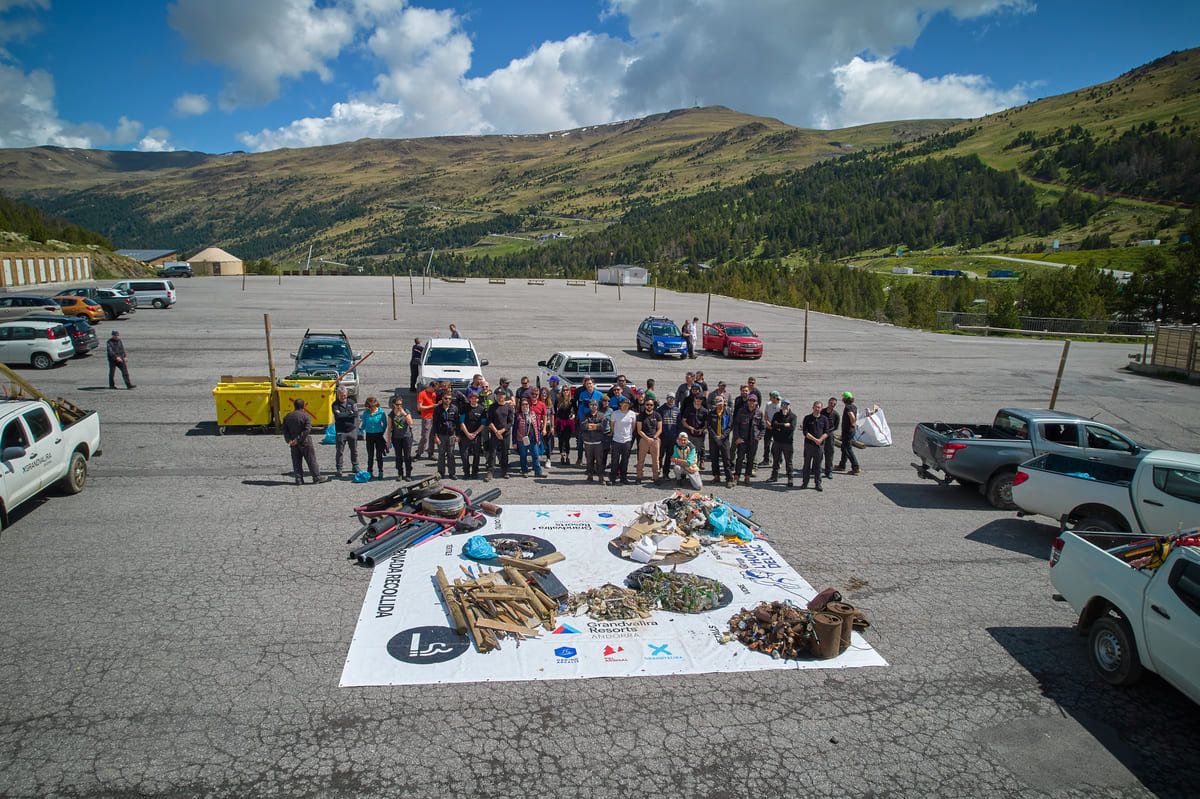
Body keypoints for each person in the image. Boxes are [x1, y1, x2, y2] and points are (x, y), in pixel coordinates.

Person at [282, 399, 327, 484]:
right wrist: (298, 439)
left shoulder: (288, 416)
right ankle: (316, 477)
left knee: (296, 461)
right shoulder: (306, 416)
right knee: (311, 460)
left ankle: (299, 479)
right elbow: (307, 430)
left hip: (293, 443)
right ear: (304, 406)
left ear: (294, 406)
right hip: (305, 442)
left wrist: (289, 440)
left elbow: (284, 429)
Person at [732, 394, 765, 485]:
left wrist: (759, 437)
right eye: (750, 400)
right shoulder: (741, 411)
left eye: (753, 401)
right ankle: (736, 477)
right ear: (748, 401)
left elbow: (763, 427)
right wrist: (737, 437)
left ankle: (747, 477)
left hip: (753, 440)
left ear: (756, 402)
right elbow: (736, 425)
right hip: (742, 439)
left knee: (750, 459)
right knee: (739, 459)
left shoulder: (759, 413)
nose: (751, 403)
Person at [574, 377, 606, 466]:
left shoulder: (599, 395)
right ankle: (579, 459)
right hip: (585, 419)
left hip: (596, 420)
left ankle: (595, 460)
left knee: (596, 441)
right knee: (580, 441)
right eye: (587, 384)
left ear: (593, 384)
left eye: (590, 383)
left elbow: (602, 409)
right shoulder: (582, 395)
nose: (589, 385)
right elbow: (580, 408)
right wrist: (581, 420)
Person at [768, 399, 798, 487]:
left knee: (789, 462)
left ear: (789, 406)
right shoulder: (777, 415)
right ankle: (774, 476)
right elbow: (774, 425)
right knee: (776, 460)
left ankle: (790, 478)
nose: (784, 406)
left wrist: (780, 427)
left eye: (787, 405)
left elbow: (791, 428)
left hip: (788, 443)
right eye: (783, 404)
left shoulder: (793, 416)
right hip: (777, 441)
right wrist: (785, 425)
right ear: (781, 406)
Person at [331, 386, 360, 477]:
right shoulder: (335, 404)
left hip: (351, 430)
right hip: (340, 431)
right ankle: (339, 468)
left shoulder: (352, 403)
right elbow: (338, 416)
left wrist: (344, 414)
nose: (343, 397)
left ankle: (355, 465)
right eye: (341, 396)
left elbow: (355, 414)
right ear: (337, 395)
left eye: (344, 396)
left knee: (354, 450)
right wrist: (349, 414)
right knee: (339, 451)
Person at [608, 395, 637, 485]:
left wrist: (627, 435)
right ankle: (613, 478)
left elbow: (633, 427)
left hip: (627, 440)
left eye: (627, 404)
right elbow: (612, 425)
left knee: (625, 460)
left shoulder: (632, 414)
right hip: (616, 440)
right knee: (615, 460)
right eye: (623, 403)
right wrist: (616, 433)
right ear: (620, 404)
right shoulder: (615, 413)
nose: (625, 405)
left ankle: (623, 477)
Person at [487, 387, 515, 479]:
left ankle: (504, 471)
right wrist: (496, 431)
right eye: (498, 395)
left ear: (504, 396)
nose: (500, 397)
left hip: (505, 434)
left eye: (501, 395)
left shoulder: (509, 407)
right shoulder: (492, 407)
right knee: (492, 452)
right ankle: (490, 471)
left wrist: (502, 431)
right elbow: (489, 421)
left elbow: (510, 422)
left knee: (504, 452)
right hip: (494, 433)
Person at [801, 400, 829, 491]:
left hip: (819, 446)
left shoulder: (824, 419)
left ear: (821, 409)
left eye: (819, 407)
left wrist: (820, 440)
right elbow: (805, 432)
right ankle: (805, 482)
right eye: (816, 407)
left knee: (818, 466)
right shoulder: (807, 418)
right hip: (809, 445)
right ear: (813, 408)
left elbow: (827, 432)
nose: (817, 409)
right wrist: (815, 439)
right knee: (806, 465)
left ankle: (818, 483)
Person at [707, 396, 734, 488]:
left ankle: (729, 479)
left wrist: (722, 436)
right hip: (713, 439)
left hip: (724, 439)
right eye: (717, 402)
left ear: (724, 402)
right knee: (714, 458)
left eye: (721, 402)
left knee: (726, 459)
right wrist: (715, 436)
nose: (719, 405)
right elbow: (709, 426)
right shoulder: (711, 413)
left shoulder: (728, 413)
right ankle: (716, 476)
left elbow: (730, 426)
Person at [385, 395, 414, 480]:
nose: (399, 406)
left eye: (400, 404)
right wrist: (388, 440)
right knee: (398, 456)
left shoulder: (406, 411)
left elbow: (410, 422)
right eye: (397, 404)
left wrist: (405, 414)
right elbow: (389, 428)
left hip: (406, 436)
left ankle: (408, 474)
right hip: (396, 437)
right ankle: (400, 473)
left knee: (407, 456)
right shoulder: (391, 414)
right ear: (393, 404)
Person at [459, 392, 487, 479]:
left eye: (475, 398)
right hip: (465, 435)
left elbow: (483, 423)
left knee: (476, 455)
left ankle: (475, 472)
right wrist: (467, 433)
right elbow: (461, 422)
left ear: (478, 399)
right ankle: (466, 472)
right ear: (469, 399)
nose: (474, 400)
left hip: (476, 436)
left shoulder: (481, 409)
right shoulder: (464, 408)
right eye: (472, 398)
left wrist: (475, 433)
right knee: (464, 455)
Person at [513, 396, 544, 477]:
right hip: (521, 439)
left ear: (529, 405)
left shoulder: (533, 414)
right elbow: (514, 429)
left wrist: (539, 439)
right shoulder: (518, 415)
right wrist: (514, 442)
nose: (525, 406)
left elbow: (537, 427)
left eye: (526, 404)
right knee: (523, 456)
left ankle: (538, 472)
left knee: (535, 455)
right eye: (523, 405)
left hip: (533, 439)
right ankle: (524, 471)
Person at [634, 397, 662, 483]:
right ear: (645, 405)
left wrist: (654, 438)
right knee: (641, 459)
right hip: (644, 439)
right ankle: (639, 477)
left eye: (651, 405)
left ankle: (655, 477)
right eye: (647, 405)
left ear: (653, 406)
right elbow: (639, 430)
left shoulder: (657, 415)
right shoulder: (641, 416)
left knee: (656, 460)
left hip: (655, 439)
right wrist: (647, 438)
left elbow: (660, 429)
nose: (649, 406)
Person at [580, 398, 608, 483]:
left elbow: (603, 426)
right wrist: (595, 426)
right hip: (588, 442)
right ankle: (590, 476)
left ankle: (600, 477)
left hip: (598, 442)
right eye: (591, 405)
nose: (593, 407)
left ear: (598, 406)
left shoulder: (601, 415)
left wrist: (592, 426)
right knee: (589, 460)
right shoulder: (585, 415)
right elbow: (583, 426)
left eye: (595, 405)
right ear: (589, 406)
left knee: (599, 460)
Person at [432, 391, 459, 479]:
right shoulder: (438, 409)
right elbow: (434, 423)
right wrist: (435, 436)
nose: (447, 400)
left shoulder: (454, 409)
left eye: (449, 399)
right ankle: (441, 473)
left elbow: (457, 423)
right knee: (441, 454)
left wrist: (458, 435)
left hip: (451, 435)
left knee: (451, 454)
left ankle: (452, 473)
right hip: (441, 435)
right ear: (442, 398)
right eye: (446, 398)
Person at [835, 391, 862, 475]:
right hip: (850, 430)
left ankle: (855, 467)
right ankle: (842, 465)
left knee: (848, 448)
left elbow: (852, 416)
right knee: (844, 447)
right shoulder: (854, 406)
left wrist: (852, 423)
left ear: (844, 399)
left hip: (848, 431)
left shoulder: (848, 408)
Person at [360, 396, 388, 478]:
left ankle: (380, 471)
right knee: (370, 454)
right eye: (367, 406)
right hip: (369, 435)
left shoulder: (381, 413)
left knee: (379, 455)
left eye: (370, 406)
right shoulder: (366, 413)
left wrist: (382, 431)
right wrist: (361, 429)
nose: (368, 408)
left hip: (378, 434)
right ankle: (370, 471)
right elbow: (364, 423)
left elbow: (385, 423)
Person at [681, 392, 709, 469]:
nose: (698, 400)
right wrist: (690, 427)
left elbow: (706, 423)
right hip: (690, 433)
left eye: (700, 399)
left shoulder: (705, 411)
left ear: (702, 400)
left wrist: (702, 429)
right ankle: (688, 466)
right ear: (694, 398)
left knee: (699, 450)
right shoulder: (689, 409)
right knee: (689, 450)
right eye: (697, 398)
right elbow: (683, 421)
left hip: (700, 434)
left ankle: (699, 464)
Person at [658, 393, 680, 476]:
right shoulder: (661, 410)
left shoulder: (677, 411)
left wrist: (677, 436)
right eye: (669, 398)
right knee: (660, 456)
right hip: (663, 437)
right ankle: (657, 471)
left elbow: (679, 425)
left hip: (673, 437)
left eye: (673, 398)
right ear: (666, 399)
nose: (671, 400)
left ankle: (666, 473)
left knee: (669, 457)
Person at [416, 382, 439, 460]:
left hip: (434, 417)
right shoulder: (422, 394)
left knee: (433, 436)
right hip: (426, 417)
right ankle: (419, 452)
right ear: (430, 386)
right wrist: (432, 406)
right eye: (434, 389)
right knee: (425, 436)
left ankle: (431, 452)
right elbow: (419, 408)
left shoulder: (434, 394)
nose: (434, 391)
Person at [554, 387, 575, 464]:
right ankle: (562, 456)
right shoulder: (558, 400)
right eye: (564, 390)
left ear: (569, 391)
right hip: (560, 422)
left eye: (567, 390)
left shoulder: (572, 400)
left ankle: (568, 456)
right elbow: (555, 411)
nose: (565, 392)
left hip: (568, 422)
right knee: (560, 439)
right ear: (562, 392)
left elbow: (575, 410)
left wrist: (573, 415)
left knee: (567, 440)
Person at [822, 396, 841, 480]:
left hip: (829, 436)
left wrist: (828, 432)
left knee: (829, 454)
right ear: (828, 403)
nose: (832, 405)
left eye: (834, 404)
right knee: (818, 453)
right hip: (820, 435)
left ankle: (828, 471)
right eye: (831, 403)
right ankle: (816, 469)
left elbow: (835, 426)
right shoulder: (822, 412)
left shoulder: (835, 414)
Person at [761, 391, 782, 468]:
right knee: (767, 444)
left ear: (775, 398)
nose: (769, 398)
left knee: (777, 445)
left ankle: (778, 461)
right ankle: (766, 459)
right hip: (769, 426)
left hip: (777, 427)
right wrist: (767, 423)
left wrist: (777, 426)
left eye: (771, 397)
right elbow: (766, 415)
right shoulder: (768, 404)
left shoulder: (781, 406)